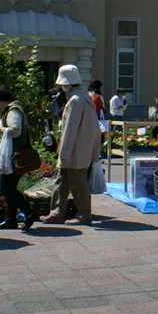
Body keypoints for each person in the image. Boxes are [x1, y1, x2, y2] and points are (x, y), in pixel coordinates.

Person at [40, 65, 99, 225]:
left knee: (76, 182)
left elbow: (70, 131)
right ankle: (57, 212)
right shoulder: (83, 99)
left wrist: (64, 153)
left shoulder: (75, 101)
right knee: (63, 180)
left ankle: (83, 214)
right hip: (79, 149)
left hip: (74, 149)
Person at [0, 86, 37, 230]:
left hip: (14, 157)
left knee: (7, 187)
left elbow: (15, 131)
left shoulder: (12, 111)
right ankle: (10, 219)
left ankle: (29, 211)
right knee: (8, 186)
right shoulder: (11, 110)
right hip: (11, 156)